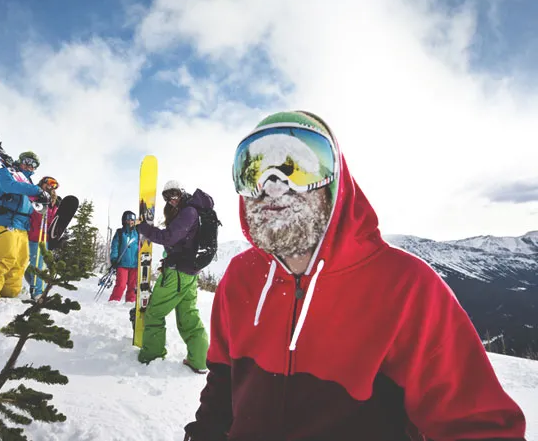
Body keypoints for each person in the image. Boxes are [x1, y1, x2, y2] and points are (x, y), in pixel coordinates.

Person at [183, 111, 527, 441]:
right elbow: (223, 383)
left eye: (296, 169)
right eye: (253, 170)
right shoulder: (241, 276)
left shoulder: (406, 286)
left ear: (335, 184)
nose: (273, 186)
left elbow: (476, 426)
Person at [135, 180, 210, 374]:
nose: (171, 200)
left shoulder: (189, 212)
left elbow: (168, 237)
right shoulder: (193, 212)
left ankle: (151, 356)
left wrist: (143, 228)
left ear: (182, 192)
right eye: (167, 197)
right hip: (188, 273)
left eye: (174, 194)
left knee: (155, 313)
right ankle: (199, 360)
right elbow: (181, 242)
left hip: (177, 274)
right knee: (188, 317)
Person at [0, 151, 50, 299]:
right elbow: (9, 186)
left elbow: (30, 205)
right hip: (6, 221)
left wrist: (42, 202)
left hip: (22, 226)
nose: (30, 166)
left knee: (20, 262)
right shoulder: (6, 173)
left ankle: (9, 294)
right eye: (28, 162)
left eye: (34, 165)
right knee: (4, 258)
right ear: (20, 160)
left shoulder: (28, 184)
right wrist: (37, 190)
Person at [25, 176, 60, 299]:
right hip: (28, 234)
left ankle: (37, 292)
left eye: (54, 185)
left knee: (40, 266)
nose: (51, 186)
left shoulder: (54, 203)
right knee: (17, 261)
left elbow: (53, 223)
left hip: (42, 239)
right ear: (42, 183)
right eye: (49, 183)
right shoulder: (33, 195)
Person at [108, 210, 139, 303]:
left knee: (132, 286)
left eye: (132, 220)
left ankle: (130, 302)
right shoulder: (120, 233)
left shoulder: (137, 233)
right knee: (121, 285)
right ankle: (114, 301)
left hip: (135, 264)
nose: (130, 222)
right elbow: (115, 247)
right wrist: (114, 259)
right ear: (124, 221)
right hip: (122, 264)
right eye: (128, 220)